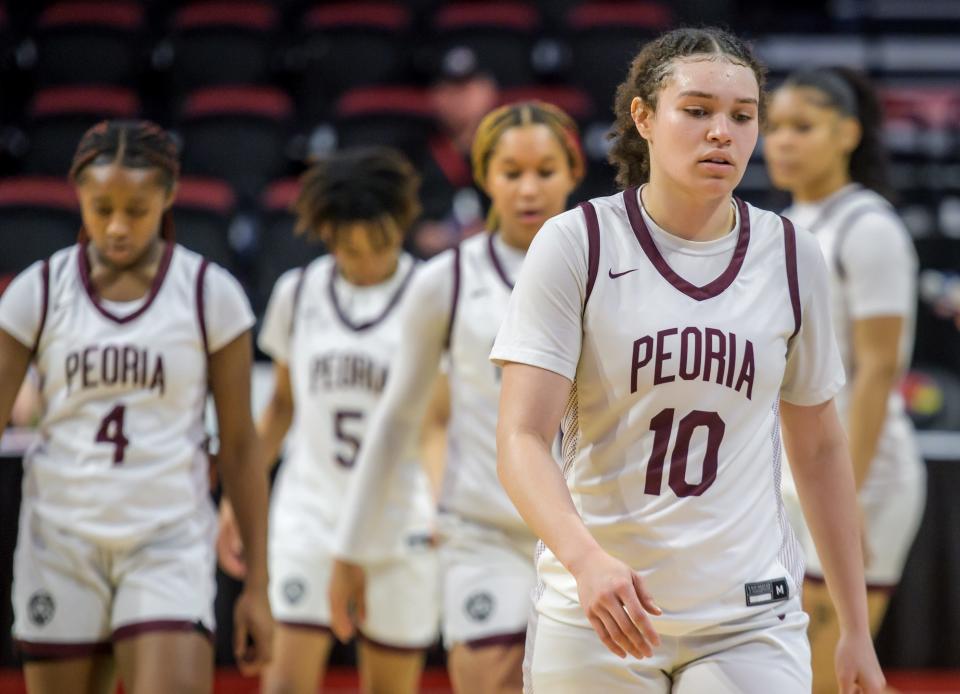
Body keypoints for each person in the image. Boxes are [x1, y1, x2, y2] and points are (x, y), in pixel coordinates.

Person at [490, 27, 886, 694]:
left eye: (742, 115)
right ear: (643, 117)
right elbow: (521, 437)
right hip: (600, 609)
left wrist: (853, 626)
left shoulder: (793, 255)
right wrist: (585, 561)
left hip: (747, 614)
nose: (721, 133)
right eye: (697, 111)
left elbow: (818, 449)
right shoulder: (576, 242)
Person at [0, 120, 272, 694]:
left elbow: (242, 446)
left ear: (168, 198)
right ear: (78, 197)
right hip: (60, 537)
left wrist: (258, 588)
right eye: (102, 208)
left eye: (137, 209)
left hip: (166, 540)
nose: (118, 226)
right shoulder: (38, 290)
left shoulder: (209, 292)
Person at [328, 101, 585, 693]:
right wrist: (350, 548)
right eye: (510, 171)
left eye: (545, 171)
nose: (527, 188)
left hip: (587, 528)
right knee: (492, 678)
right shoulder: (444, 279)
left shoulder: (613, 270)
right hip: (482, 529)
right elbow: (397, 419)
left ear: (573, 172)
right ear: (483, 175)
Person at [216, 147, 439, 694]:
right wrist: (234, 501)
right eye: (349, 248)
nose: (363, 260)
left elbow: (439, 420)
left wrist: (440, 504)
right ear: (327, 235)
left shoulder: (431, 292)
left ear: (402, 226)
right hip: (309, 513)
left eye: (378, 245)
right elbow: (283, 406)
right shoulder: (299, 292)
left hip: (399, 517)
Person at [764, 67, 925, 694]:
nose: (783, 142)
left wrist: (844, 493)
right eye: (774, 127)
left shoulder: (869, 227)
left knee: (829, 671)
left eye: (803, 127)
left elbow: (879, 369)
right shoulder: (787, 224)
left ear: (848, 133)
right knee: (781, 666)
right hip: (789, 471)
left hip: (863, 469)